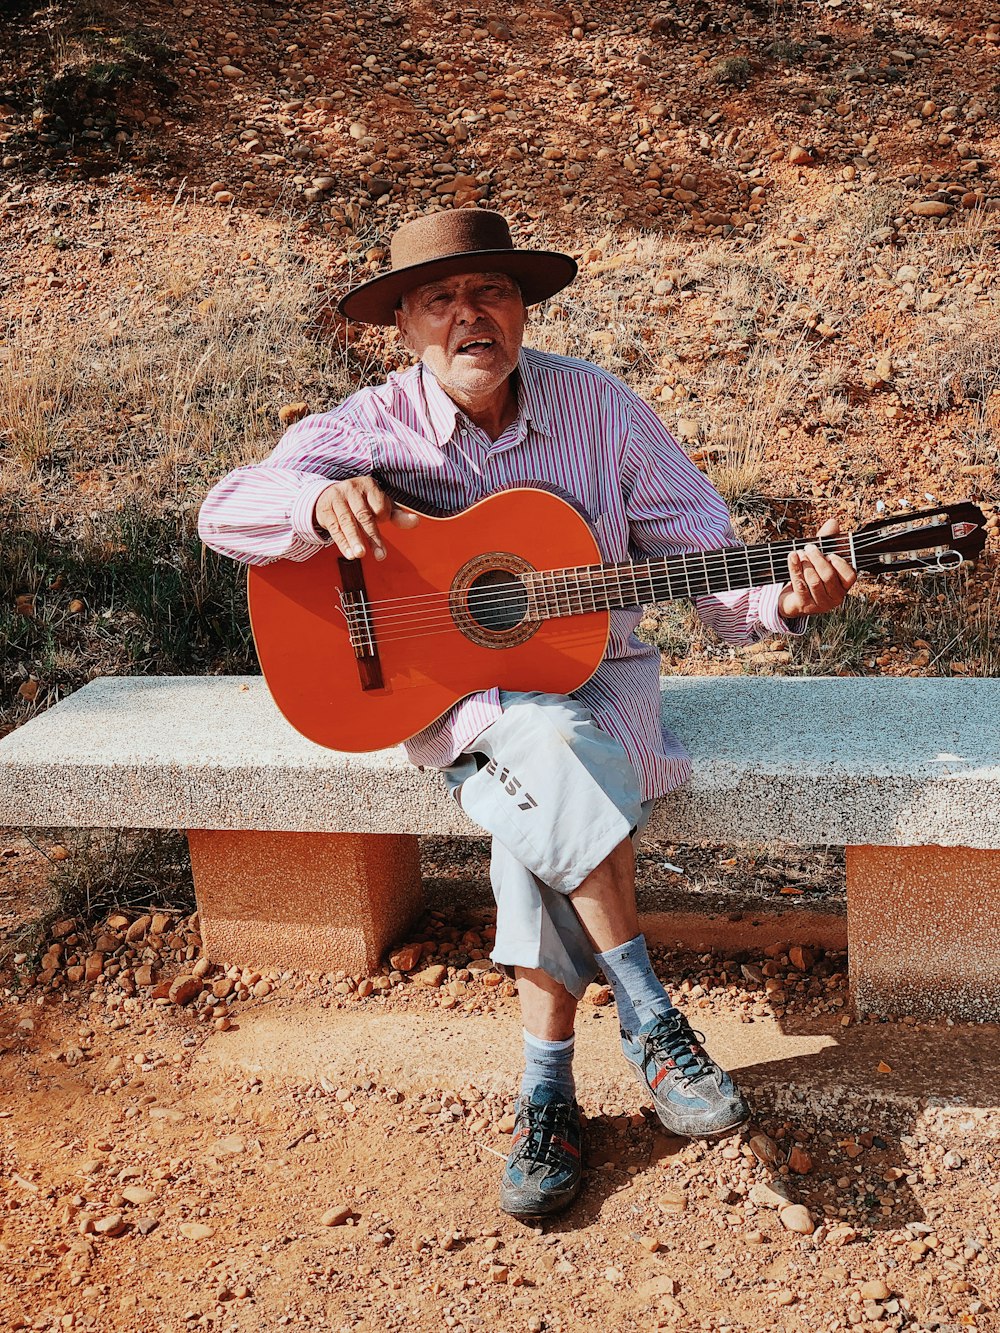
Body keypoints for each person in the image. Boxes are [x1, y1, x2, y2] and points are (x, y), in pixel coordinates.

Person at [198, 208, 856, 1220]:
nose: (471, 317)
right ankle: (646, 1012)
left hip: (594, 687)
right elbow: (224, 511)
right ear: (406, 327)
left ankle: (546, 1090)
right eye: (440, 301)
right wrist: (310, 509)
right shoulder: (372, 424)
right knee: (543, 749)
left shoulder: (600, 408)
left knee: (545, 772)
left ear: (522, 309)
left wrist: (785, 595)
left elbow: (710, 565)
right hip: (455, 702)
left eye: (492, 293)